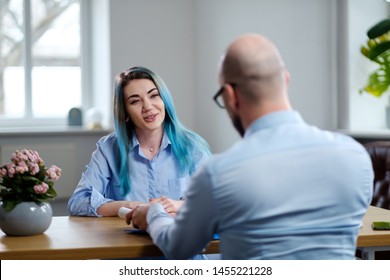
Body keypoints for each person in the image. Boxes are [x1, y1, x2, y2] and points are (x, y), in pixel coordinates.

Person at [127, 33, 374, 259]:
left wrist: (153, 214)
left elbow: (178, 247)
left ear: (230, 96)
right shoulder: (355, 156)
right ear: (286, 81)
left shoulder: (219, 173)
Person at [68, 66, 211, 218]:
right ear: (125, 112)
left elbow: (217, 199)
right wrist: (128, 206)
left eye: (154, 95)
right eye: (135, 101)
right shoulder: (108, 148)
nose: (148, 107)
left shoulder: (192, 145)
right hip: (125, 239)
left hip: (178, 237)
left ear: (164, 100)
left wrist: (178, 205)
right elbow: (78, 202)